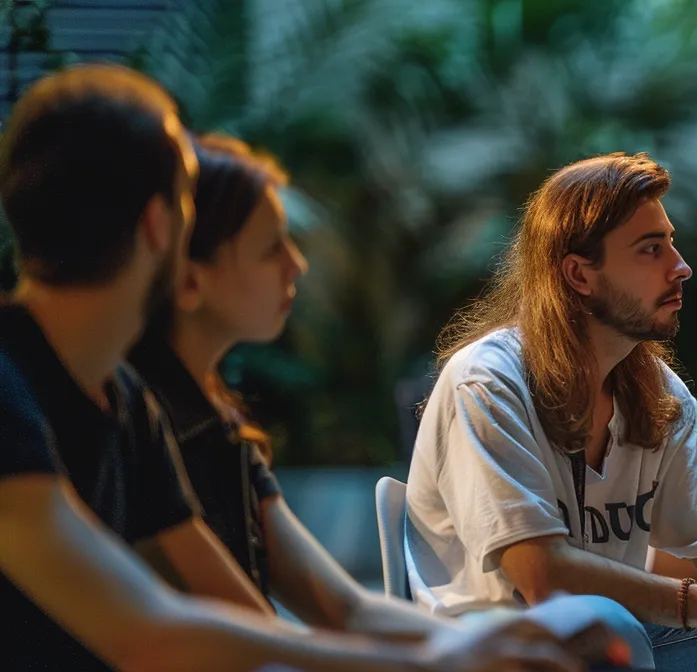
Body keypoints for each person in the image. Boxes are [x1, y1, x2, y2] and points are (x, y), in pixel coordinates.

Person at [0, 64, 579, 671]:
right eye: (187, 199)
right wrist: (438, 659)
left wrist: (469, 647)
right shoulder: (15, 386)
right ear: (157, 224)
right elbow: (151, 633)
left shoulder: (123, 399)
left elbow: (290, 617)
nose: (296, 266)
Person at [129, 134, 632, 661]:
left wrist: (488, 640)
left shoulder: (218, 427)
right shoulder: (146, 424)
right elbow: (260, 636)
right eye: (271, 247)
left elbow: (345, 607)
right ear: (191, 275)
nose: (297, 265)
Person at [405, 152, 697, 671]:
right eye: (650, 249)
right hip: (489, 646)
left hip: (614, 638)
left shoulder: (657, 391)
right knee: (606, 627)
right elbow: (539, 576)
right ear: (579, 274)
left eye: (672, 243)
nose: (681, 266)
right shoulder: (487, 382)